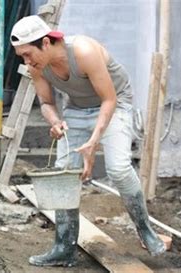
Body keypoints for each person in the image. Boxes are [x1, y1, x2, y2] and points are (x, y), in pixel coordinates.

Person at [10, 15, 166, 267]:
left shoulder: (83, 51)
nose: (27, 61)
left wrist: (94, 140)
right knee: (63, 174)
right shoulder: (36, 67)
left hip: (115, 102)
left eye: (28, 54)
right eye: (22, 56)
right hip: (78, 108)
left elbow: (109, 100)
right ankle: (64, 246)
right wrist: (55, 122)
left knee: (118, 168)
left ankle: (145, 230)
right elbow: (47, 103)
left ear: (46, 43)